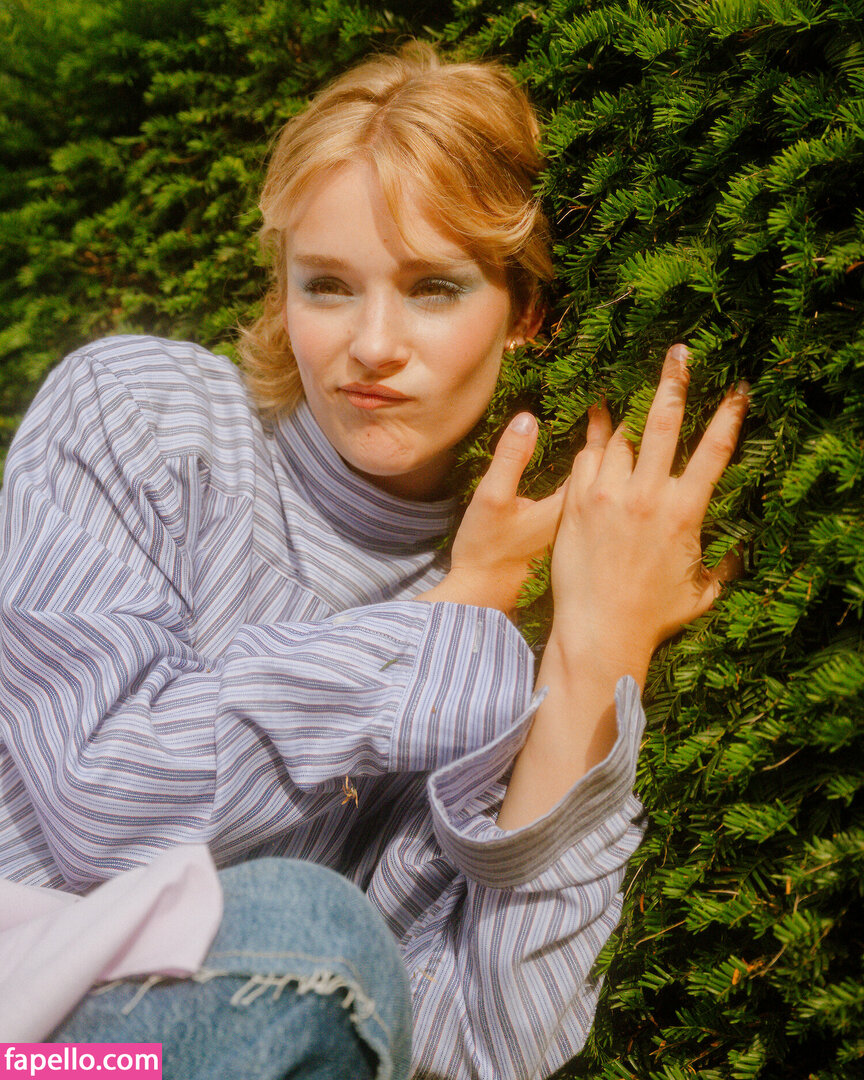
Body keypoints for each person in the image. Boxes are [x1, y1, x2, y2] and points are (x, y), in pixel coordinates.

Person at [0, 42, 749, 1080]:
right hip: (28, 1032)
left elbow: (488, 1035)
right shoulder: (141, 415)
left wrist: (596, 646)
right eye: (328, 286)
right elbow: (102, 806)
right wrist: (459, 606)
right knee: (312, 927)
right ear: (284, 295)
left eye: (434, 288)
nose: (372, 344)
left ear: (526, 314)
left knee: (319, 952)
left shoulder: (503, 650)